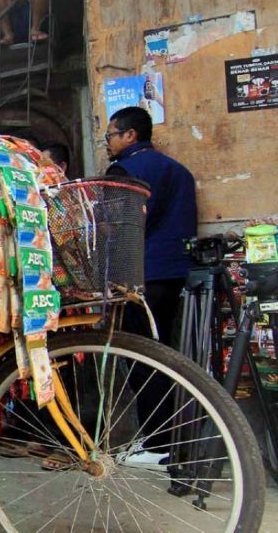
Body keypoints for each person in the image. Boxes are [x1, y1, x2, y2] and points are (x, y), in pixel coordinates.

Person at [105, 105, 197, 468]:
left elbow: (118, 226)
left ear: (131, 135)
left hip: (141, 276)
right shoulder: (180, 171)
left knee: (143, 358)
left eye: (111, 135)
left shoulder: (125, 170)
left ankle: (156, 443)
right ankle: (170, 440)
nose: (109, 142)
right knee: (164, 355)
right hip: (175, 274)